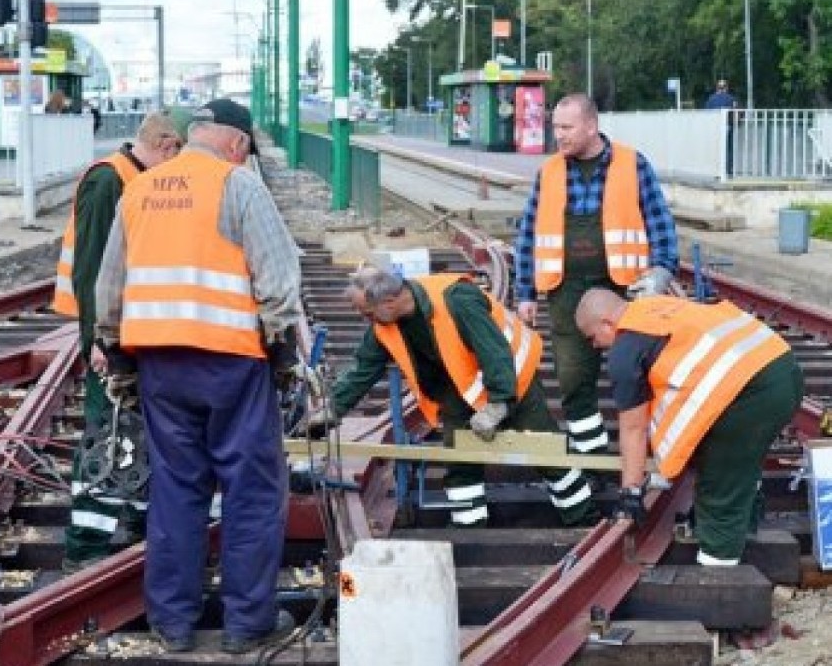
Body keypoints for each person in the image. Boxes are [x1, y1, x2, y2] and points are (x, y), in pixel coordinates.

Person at [94, 98, 303, 655]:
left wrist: (116, 356)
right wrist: (283, 352)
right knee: (251, 491)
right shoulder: (238, 187)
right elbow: (279, 281)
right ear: (236, 143)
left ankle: (174, 623)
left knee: (177, 489)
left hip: (161, 366)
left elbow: (108, 287)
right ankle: (246, 623)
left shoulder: (139, 190)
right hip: (231, 360)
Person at [308, 265, 599, 527]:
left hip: (512, 382)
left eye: (367, 312)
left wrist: (499, 404)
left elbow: (494, 352)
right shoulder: (383, 326)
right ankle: (469, 526)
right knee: (460, 462)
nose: (364, 319)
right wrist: (331, 410)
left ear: (389, 301)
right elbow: (362, 370)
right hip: (457, 390)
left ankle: (584, 518)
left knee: (545, 451)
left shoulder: (456, 298)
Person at [515, 93, 679, 517]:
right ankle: (595, 463)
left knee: (642, 373)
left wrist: (661, 271)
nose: (558, 135)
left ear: (590, 126)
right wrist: (525, 292)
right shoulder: (549, 172)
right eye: (556, 127)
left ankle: (653, 456)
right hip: (565, 288)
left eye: (566, 128)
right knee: (573, 382)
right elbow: (529, 235)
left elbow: (658, 220)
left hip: (625, 288)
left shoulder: (631, 163)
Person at [574, 288, 804, 564]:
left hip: (751, 393)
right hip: (782, 368)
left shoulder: (625, 351)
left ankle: (718, 570)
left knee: (719, 483)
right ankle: (746, 531)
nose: (595, 346)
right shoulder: (654, 307)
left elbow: (633, 428)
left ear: (607, 324)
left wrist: (631, 492)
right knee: (740, 462)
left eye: (592, 338)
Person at [55, 113, 185, 571]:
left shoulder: (138, 180)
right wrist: (97, 341)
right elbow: (91, 268)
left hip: (134, 335)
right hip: (109, 340)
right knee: (106, 435)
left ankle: (132, 524)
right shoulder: (109, 181)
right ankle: (85, 546)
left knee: (132, 432)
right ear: (168, 145)